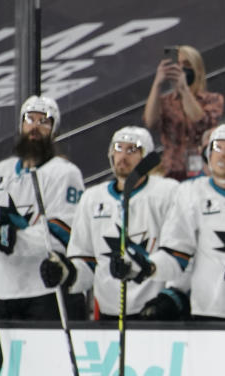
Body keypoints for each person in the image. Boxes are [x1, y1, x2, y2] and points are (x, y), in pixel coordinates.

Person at [111, 123, 225, 322]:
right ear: (208, 155)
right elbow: (176, 254)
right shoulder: (190, 192)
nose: (223, 155)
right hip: (207, 312)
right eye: (217, 148)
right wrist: (146, 267)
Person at [0, 95, 86, 320]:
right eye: (30, 119)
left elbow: (63, 233)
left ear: (54, 130)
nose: (35, 127)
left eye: (44, 121)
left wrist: (8, 238)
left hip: (46, 291)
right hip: (5, 291)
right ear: (21, 125)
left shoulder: (65, 173)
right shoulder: (0, 173)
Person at [41, 127, 177, 320]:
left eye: (132, 150)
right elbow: (85, 261)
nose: (123, 156)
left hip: (155, 315)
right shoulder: (92, 198)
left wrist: (171, 298)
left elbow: (180, 254)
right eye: (118, 148)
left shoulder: (168, 193)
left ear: (146, 157)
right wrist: (66, 272)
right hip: (108, 315)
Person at [143, 45, 224, 180]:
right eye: (177, 65)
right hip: (172, 170)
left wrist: (184, 89)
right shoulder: (165, 101)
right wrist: (157, 83)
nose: (180, 69)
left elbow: (201, 122)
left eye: (186, 64)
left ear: (196, 68)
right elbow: (150, 122)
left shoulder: (213, 99)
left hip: (203, 169)